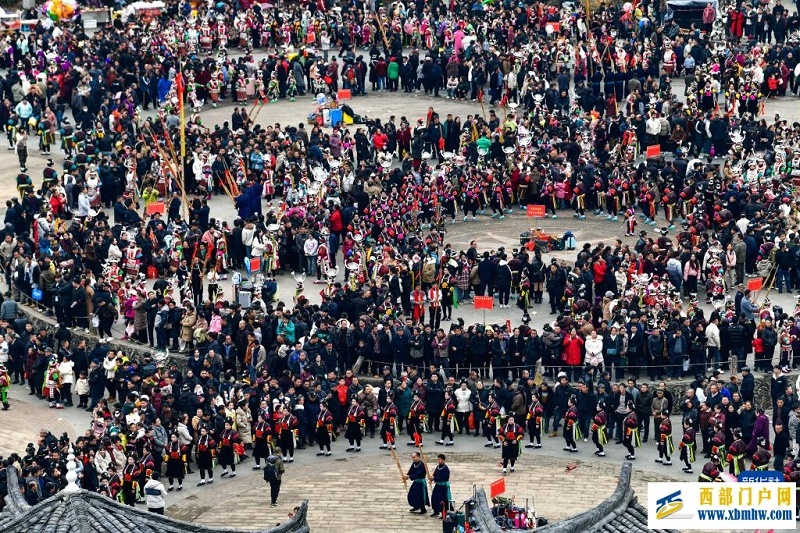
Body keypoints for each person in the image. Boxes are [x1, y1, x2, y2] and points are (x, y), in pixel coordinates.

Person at [429, 453, 451, 518]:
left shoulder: (445, 469)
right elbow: (435, 474)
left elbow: (443, 478)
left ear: (443, 460)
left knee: (442, 500)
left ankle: (443, 513)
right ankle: (436, 511)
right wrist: (432, 478)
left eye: (440, 459)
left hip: (443, 486)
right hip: (437, 486)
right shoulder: (438, 467)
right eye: (438, 459)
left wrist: (434, 478)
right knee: (434, 497)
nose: (438, 461)